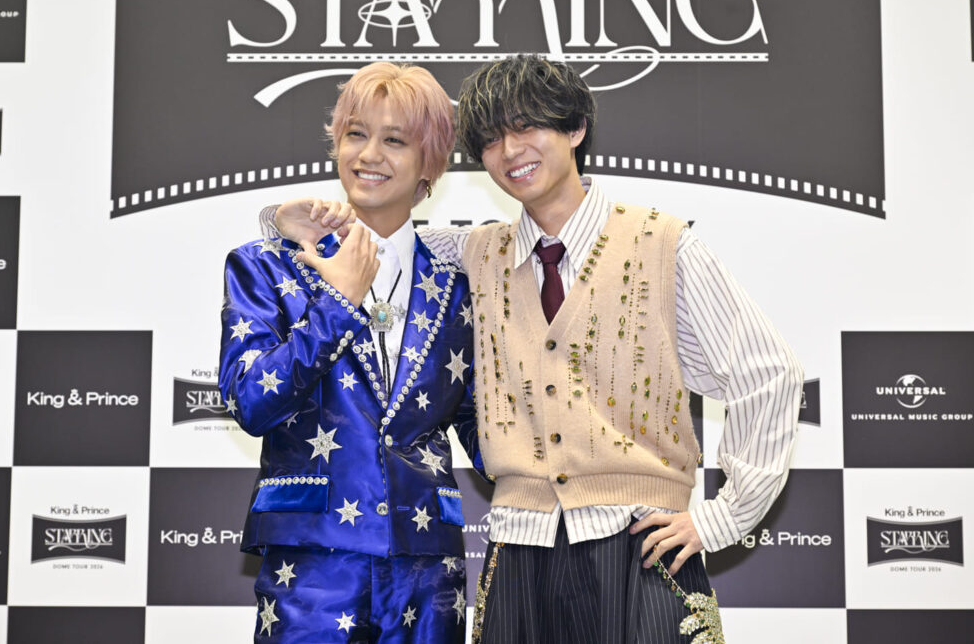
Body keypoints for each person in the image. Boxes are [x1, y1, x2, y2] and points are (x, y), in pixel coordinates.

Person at [267, 55, 803, 644]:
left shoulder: (663, 243)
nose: (510, 150)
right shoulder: (473, 253)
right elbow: (379, 240)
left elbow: (769, 374)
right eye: (492, 139)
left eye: (527, 127)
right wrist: (277, 219)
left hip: (643, 546)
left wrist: (723, 518)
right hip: (518, 550)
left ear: (575, 128)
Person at [219, 61, 482, 643]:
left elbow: (484, 427)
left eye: (395, 140)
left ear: (430, 164)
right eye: (356, 134)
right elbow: (250, 402)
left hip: (426, 565)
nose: (369, 155)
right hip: (311, 559)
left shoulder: (459, 284)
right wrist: (337, 303)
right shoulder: (266, 265)